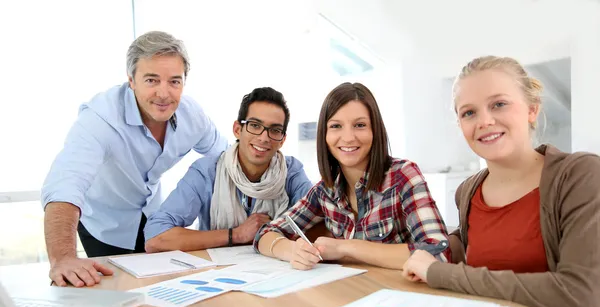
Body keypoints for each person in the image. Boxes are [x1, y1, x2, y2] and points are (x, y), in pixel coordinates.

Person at [402, 56, 600, 307]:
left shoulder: (581, 175)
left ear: (532, 109)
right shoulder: (467, 192)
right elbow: (471, 244)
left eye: (499, 104)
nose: (484, 121)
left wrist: (441, 274)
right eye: (469, 113)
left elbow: (579, 299)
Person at [41, 31, 229, 287]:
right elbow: (65, 185)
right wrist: (62, 258)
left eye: (174, 81)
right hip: (105, 221)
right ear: (131, 80)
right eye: (152, 80)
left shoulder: (191, 115)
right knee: (116, 291)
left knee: (162, 287)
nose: (164, 93)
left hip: (153, 213)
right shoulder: (100, 120)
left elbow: (227, 159)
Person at [255, 82, 449, 270]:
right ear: (324, 134)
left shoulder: (403, 176)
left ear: (375, 130)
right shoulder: (325, 191)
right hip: (351, 292)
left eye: (360, 125)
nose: (348, 137)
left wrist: (346, 247)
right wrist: (291, 251)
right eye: (336, 126)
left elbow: (438, 253)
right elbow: (265, 233)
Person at [144, 87, 313, 252]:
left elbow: (319, 224)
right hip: (217, 273)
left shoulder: (291, 172)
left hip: (278, 270)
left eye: (275, 130)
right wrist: (236, 235)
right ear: (237, 130)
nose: (263, 138)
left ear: (282, 140)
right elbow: (155, 237)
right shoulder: (206, 172)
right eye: (255, 125)